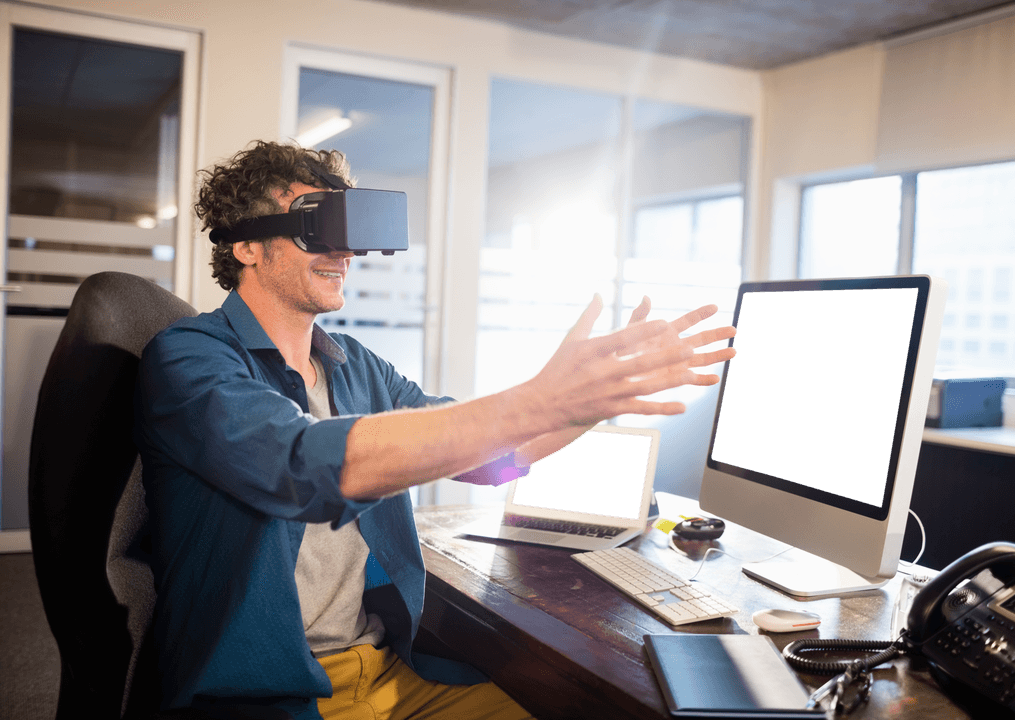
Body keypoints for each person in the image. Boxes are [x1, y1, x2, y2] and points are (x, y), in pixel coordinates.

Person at [135, 140, 736, 720]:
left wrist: (581, 405)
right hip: (273, 695)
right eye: (315, 227)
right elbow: (300, 464)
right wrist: (535, 399)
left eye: (348, 232)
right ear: (246, 246)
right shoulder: (190, 358)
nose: (343, 252)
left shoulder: (355, 363)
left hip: (391, 670)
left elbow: (487, 457)